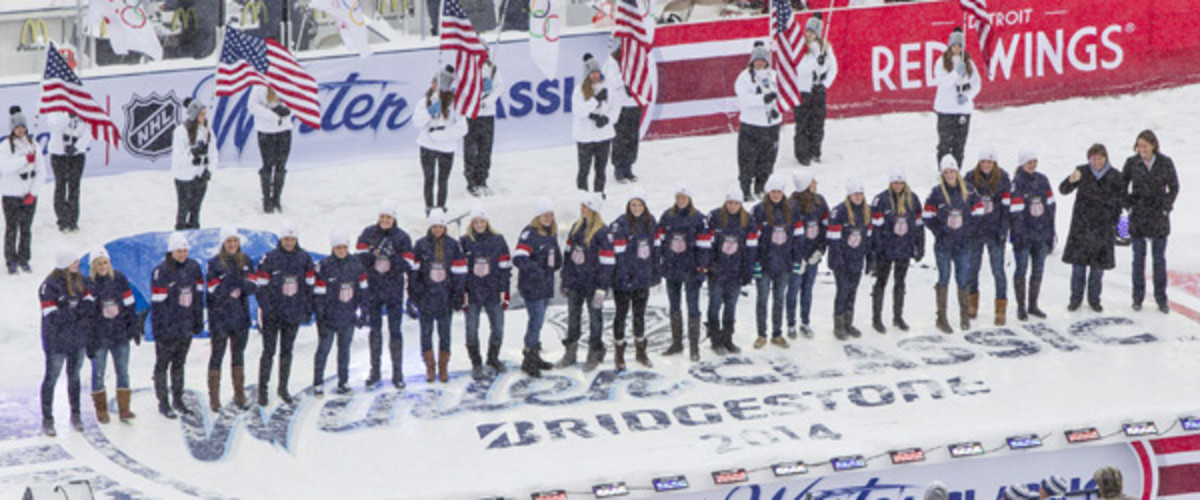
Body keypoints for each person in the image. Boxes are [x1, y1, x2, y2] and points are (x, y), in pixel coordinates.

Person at [356, 201, 414, 389]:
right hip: (373, 290)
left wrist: (392, 257)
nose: (385, 220)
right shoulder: (368, 233)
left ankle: (398, 373)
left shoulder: (403, 237)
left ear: (394, 218)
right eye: (382, 217)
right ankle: (375, 371)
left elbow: (408, 263)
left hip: (394, 291)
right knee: (375, 332)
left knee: (395, 331)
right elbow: (359, 258)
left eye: (388, 217)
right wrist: (374, 254)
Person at [1060, 144, 1125, 312]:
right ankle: (1075, 299)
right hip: (1081, 228)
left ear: (1106, 158)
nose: (1097, 162)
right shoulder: (1082, 172)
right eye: (1093, 158)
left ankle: (1094, 299)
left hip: (1103, 230)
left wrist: (1119, 227)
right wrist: (1070, 179)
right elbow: (1063, 190)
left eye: (1100, 158)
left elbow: (1121, 203)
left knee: (1097, 270)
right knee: (1078, 269)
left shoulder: (1115, 176)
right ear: (1089, 158)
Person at [255, 225, 315, 406]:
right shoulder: (270, 258)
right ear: (280, 240)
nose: (289, 243)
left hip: (292, 314)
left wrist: (306, 309)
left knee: (287, 352)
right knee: (268, 352)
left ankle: (283, 387)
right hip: (272, 315)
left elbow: (309, 287)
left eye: (292, 239)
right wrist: (267, 309)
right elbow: (260, 287)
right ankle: (263, 390)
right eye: (286, 239)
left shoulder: (304, 258)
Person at [1121, 130, 1179, 313]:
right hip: (1138, 216)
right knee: (1138, 259)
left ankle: (1161, 299)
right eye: (1139, 146)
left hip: (1158, 217)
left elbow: (1174, 186)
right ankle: (1137, 298)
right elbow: (1122, 186)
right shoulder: (1131, 163)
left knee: (1159, 260)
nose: (1142, 149)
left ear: (1154, 145)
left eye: (1145, 146)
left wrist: (1166, 206)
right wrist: (1128, 205)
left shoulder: (1165, 162)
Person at [557, 194, 615, 371]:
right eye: (581, 206)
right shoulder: (576, 227)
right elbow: (568, 256)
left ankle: (595, 351)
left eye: (586, 207)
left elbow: (607, 263)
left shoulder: (603, 232)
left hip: (594, 285)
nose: (582, 210)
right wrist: (565, 279)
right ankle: (570, 352)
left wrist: (602, 288)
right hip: (576, 283)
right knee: (573, 318)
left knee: (594, 319)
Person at [924, 155, 981, 333]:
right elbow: (927, 216)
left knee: (963, 277)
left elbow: (978, 212)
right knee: (944, 277)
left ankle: (964, 315)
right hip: (944, 244)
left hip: (963, 243)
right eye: (946, 172)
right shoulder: (936, 193)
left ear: (957, 172)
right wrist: (939, 232)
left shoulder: (969, 191)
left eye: (952, 171)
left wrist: (968, 231)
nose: (949, 175)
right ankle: (942, 317)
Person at [150, 232, 204, 418]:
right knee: (162, 364)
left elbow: (198, 297)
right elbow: (158, 305)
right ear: (171, 251)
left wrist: (198, 320)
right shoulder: (161, 271)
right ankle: (163, 402)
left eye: (184, 250)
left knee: (179, 364)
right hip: (168, 329)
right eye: (178, 251)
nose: (182, 254)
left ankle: (178, 399)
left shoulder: (194, 267)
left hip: (185, 326)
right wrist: (162, 329)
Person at [410, 209, 467, 383]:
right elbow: (414, 272)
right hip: (426, 298)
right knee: (425, 333)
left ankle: (443, 367)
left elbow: (459, 272)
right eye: (434, 226)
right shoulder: (420, 245)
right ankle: (430, 367)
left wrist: (458, 294)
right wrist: (415, 293)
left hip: (445, 298)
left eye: (440, 226)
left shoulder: (453, 245)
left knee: (445, 334)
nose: (437, 230)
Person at [205, 227, 257, 411]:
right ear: (223, 243)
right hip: (219, 318)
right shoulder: (214, 264)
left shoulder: (247, 261)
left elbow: (253, 286)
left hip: (240, 317)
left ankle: (239, 394)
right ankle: (214, 397)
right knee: (217, 356)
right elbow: (214, 290)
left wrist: (237, 284)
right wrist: (232, 283)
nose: (232, 244)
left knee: (238, 355)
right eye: (229, 241)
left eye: (235, 241)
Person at [39, 249, 90, 435]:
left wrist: (72, 311)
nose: (77, 263)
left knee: (75, 376)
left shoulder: (82, 281)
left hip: (77, 339)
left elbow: (88, 306)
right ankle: (48, 418)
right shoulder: (49, 285)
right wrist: (73, 311)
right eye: (74, 261)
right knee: (51, 378)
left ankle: (75, 414)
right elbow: (52, 316)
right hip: (57, 341)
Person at [313, 230, 369, 396]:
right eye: (338, 248)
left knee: (344, 351)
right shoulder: (324, 266)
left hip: (347, 317)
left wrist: (363, 313)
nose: (341, 251)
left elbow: (363, 291)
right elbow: (318, 294)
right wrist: (320, 316)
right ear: (332, 248)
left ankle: (343, 382)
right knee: (323, 350)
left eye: (343, 247)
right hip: (329, 318)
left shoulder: (357, 265)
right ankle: (318, 382)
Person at [85, 246, 138, 423]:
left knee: (123, 371)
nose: (102, 266)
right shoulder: (89, 285)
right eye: (98, 263)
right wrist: (89, 339)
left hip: (119, 334)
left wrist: (133, 326)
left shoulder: (120, 279)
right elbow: (87, 315)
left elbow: (130, 304)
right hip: (100, 337)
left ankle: (124, 408)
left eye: (105, 262)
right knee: (98, 373)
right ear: (93, 266)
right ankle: (101, 409)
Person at [868, 166, 924, 333]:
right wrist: (877, 249)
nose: (898, 185)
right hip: (886, 250)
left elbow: (918, 226)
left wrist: (919, 247)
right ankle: (876, 318)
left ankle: (898, 316)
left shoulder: (913, 199)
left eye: (901, 182)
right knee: (881, 282)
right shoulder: (881, 200)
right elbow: (875, 228)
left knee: (900, 282)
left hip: (904, 249)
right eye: (895, 182)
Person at [658, 184, 710, 361]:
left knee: (693, 307)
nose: (680, 201)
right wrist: (662, 262)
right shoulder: (667, 216)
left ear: (689, 199)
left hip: (691, 270)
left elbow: (704, 246)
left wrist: (702, 267)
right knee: (674, 306)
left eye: (684, 198)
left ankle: (694, 347)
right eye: (678, 197)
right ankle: (676, 342)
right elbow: (660, 241)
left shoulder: (699, 218)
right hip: (672, 269)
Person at [460, 205, 513, 379]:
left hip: (493, 291)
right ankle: (476, 363)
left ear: (486, 222)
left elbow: (505, 266)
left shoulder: (498, 240)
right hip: (473, 293)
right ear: (471, 223)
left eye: (482, 221)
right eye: (476, 221)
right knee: (471, 330)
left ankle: (493, 358)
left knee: (498, 327)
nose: (479, 224)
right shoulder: (464, 241)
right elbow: (460, 270)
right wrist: (462, 292)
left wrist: (505, 290)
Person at [609, 190, 659, 369]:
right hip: (623, 280)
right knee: (621, 315)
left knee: (639, 315)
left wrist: (655, 273)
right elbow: (618, 255)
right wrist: (622, 276)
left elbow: (655, 250)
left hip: (642, 278)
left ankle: (640, 351)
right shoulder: (620, 224)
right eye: (633, 205)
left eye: (639, 205)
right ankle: (619, 354)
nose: (636, 208)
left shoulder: (650, 222)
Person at [513, 198, 562, 377]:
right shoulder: (529, 233)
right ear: (538, 216)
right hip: (532, 286)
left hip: (546, 286)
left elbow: (553, 255)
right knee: (535, 321)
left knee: (539, 322)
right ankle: (529, 357)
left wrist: (557, 262)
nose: (548, 218)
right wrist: (536, 272)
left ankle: (535, 353)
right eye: (545, 215)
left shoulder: (550, 233)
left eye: (550, 214)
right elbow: (519, 257)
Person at [706, 185, 756, 354]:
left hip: (735, 272)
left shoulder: (748, 220)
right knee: (715, 305)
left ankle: (728, 338)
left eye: (736, 203)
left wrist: (747, 270)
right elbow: (707, 245)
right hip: (717, 272)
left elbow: (751, 247)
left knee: (731, 305)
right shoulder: (714, 217)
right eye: (730, 203)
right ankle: (715, 339)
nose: (732, 206)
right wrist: (710, 265)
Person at [966, 147, 1011, 325]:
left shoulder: (1003, 178)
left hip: (994, 233)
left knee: (998, 271)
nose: (986, 165)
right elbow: (965, 205)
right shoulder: (970, 177)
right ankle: (971, 304)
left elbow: (1007, 207)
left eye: (989, 162)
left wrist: (1003, 230)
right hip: (976, 233)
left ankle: (1000, 309)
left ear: (994, 163)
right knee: (973, 269)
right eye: (983, 162)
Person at [752, 174, 798, 347]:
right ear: (768, 192)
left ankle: (777, 333)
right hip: (764, 264)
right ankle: (761, 334)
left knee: (779, 299)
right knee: (762, 299)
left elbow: (797, 238)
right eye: (773, 192)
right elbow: (752, 239)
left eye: (779, 192)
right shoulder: (758, 210)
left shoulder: (792, 210)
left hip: (784, 264)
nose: (776, 195)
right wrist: (755, 261)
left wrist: (796, 259)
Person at [415, 65, 468, 215]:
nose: (433, 85)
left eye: (436, 82)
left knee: (443, 180)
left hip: (446, 147)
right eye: (433, 82)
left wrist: (441, 136)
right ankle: (429, 207)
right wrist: (429, 113)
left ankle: (441, 206)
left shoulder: (455, 105)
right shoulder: (424, 102)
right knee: (429, 178)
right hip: (427, 146)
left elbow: (462, 128)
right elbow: (417, 122)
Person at [1009, 149, 1055, 321]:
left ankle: (1033, 304)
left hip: (1041, 235)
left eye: (1034, 161)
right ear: (1022, 164)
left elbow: (1051, 207)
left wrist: (1050, 231)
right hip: (1024, 237)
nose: (1033, 165)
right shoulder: (1017, 183)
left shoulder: (1043, 180)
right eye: (1029, 162)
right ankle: (1021, 307)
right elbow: (1016, 213)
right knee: (1021, 270)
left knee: (1038, 270)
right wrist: (1019, 235)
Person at [735, 41, 783, 200]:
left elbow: (783, 95)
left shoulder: (775, 75)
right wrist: (762, 99)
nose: (760, 63)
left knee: (767, 161)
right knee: (747, 160)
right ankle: (745, 190)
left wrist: (778, 108)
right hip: (751, 125)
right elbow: (744, 100)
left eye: (763, 60)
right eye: (757, 60)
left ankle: (761, 187)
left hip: (771, 126)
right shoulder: (745, 77)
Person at [1, 106, 46, 274]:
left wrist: (33, 192)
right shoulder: (6, 146)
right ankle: (10, 259)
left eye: (23, 127)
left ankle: (24, 257)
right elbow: (5, 168)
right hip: (11, 194)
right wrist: (24, 160)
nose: (21, 130)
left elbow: (41, 171)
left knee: (26, 228)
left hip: (28, 194)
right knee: (12, 228)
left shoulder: (33, 145)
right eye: (17, 127)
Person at [826, 180, 872, 339]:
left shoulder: (867, 211)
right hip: (842, 259)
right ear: (849, 195)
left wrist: (869, 258)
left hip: (856, 259)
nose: (858, 197)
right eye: (855, 194)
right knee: (843, 290)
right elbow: (832, 238)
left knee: (852, 290)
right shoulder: (839, 212)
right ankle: (838, 324)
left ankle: (848, 322)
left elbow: (868, 237)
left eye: (860, 194)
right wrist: (837, 259)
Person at [793, 14, 838, 166]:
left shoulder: (825, 47)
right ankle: (802, 154)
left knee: (817, 122)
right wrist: (815, 62)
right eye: (807, 31)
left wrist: (824, 84)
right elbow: (799, 68)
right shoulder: (800, 47)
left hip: (818, 89)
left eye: (812, 31)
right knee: (803, 123)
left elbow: (833, 68)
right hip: (804, 90)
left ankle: (815, 151)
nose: (809, 34)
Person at [933, 27, 981, 169]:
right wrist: (955, 73)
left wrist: (967, 96)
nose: (956, 48)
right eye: (954, 45)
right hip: (946, 110)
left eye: (959, 46)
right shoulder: (941, 62)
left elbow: (976, 84)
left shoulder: (968, 62)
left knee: (959, 144)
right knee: (945, 144)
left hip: (962, 110)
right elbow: (943, 84)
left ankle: (957, 170)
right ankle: (944, 171)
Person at [789, 171, 828, 337]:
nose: (816, 184)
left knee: (807, 290)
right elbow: (790, 235)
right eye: (812, 182)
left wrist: (820, 250)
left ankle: (805, 321)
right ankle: (791, 323)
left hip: (813, 255)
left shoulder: (820, 202)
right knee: (793, 290)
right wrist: (796, 257)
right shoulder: (792, 206)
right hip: (797, 257)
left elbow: (826, 227)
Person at [572, 53, 617, 197]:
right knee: (584, 170)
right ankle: (582, 196)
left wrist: (607, 119)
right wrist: (595, 100)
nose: (595, 75)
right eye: (592, 73)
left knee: (601, 169)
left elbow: (616, 108)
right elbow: (579, 111)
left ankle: (599, 194)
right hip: (585, 137)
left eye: (597, 72)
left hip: (603, 136)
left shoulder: (608, 87)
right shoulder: (579, 90)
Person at [171, 98, 216, 230]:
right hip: (184, 176)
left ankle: (195, 231)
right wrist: (193, 155)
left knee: (196, 210)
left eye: (204, 114)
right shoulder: (181, 131)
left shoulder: (207, 130)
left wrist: (209, 169)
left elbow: (213, 152)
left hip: (200, 175)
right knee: (183, 210)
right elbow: (178, 155)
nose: (204, 117)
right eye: (201, 114)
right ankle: (180, 234)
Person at [249, 86, 293, 213]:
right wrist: (273, 115)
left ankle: (277, 198)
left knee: (281, 165)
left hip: (284, 129)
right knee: (267, 165)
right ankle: (267, 199)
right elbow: (252, 106)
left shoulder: (287, 81)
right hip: (266, 131)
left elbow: (297, 100)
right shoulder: (258, 86)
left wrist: (287, 110)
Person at [46, 110, 92, 232]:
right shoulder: (55, 110)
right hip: (58, 155)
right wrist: (67, 116)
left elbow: (89, 131)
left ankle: (73, 220)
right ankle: (62, 219)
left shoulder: (82, 108)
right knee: (60, 186)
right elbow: (55, 127)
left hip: (77, 155)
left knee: (74, 187)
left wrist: (77, 147)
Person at [464, 60, 505, 197]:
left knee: (485, 148)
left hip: (487, 115)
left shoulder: (492, 68)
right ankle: (471, 182)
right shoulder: (467, 67)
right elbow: (461, 89)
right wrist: (477, 94)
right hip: (472, 114)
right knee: (470, 149)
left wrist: (488, 99)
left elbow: (500, 87)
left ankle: (482, 180)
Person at [606, 48, 644, 183]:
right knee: (619, 137)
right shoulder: (613, 61)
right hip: (620, 105)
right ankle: (618, 167)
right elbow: (611, 82)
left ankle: (629, 166)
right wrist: (626, 74)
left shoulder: (639, 58)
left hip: (635, 102)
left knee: (632, 136)